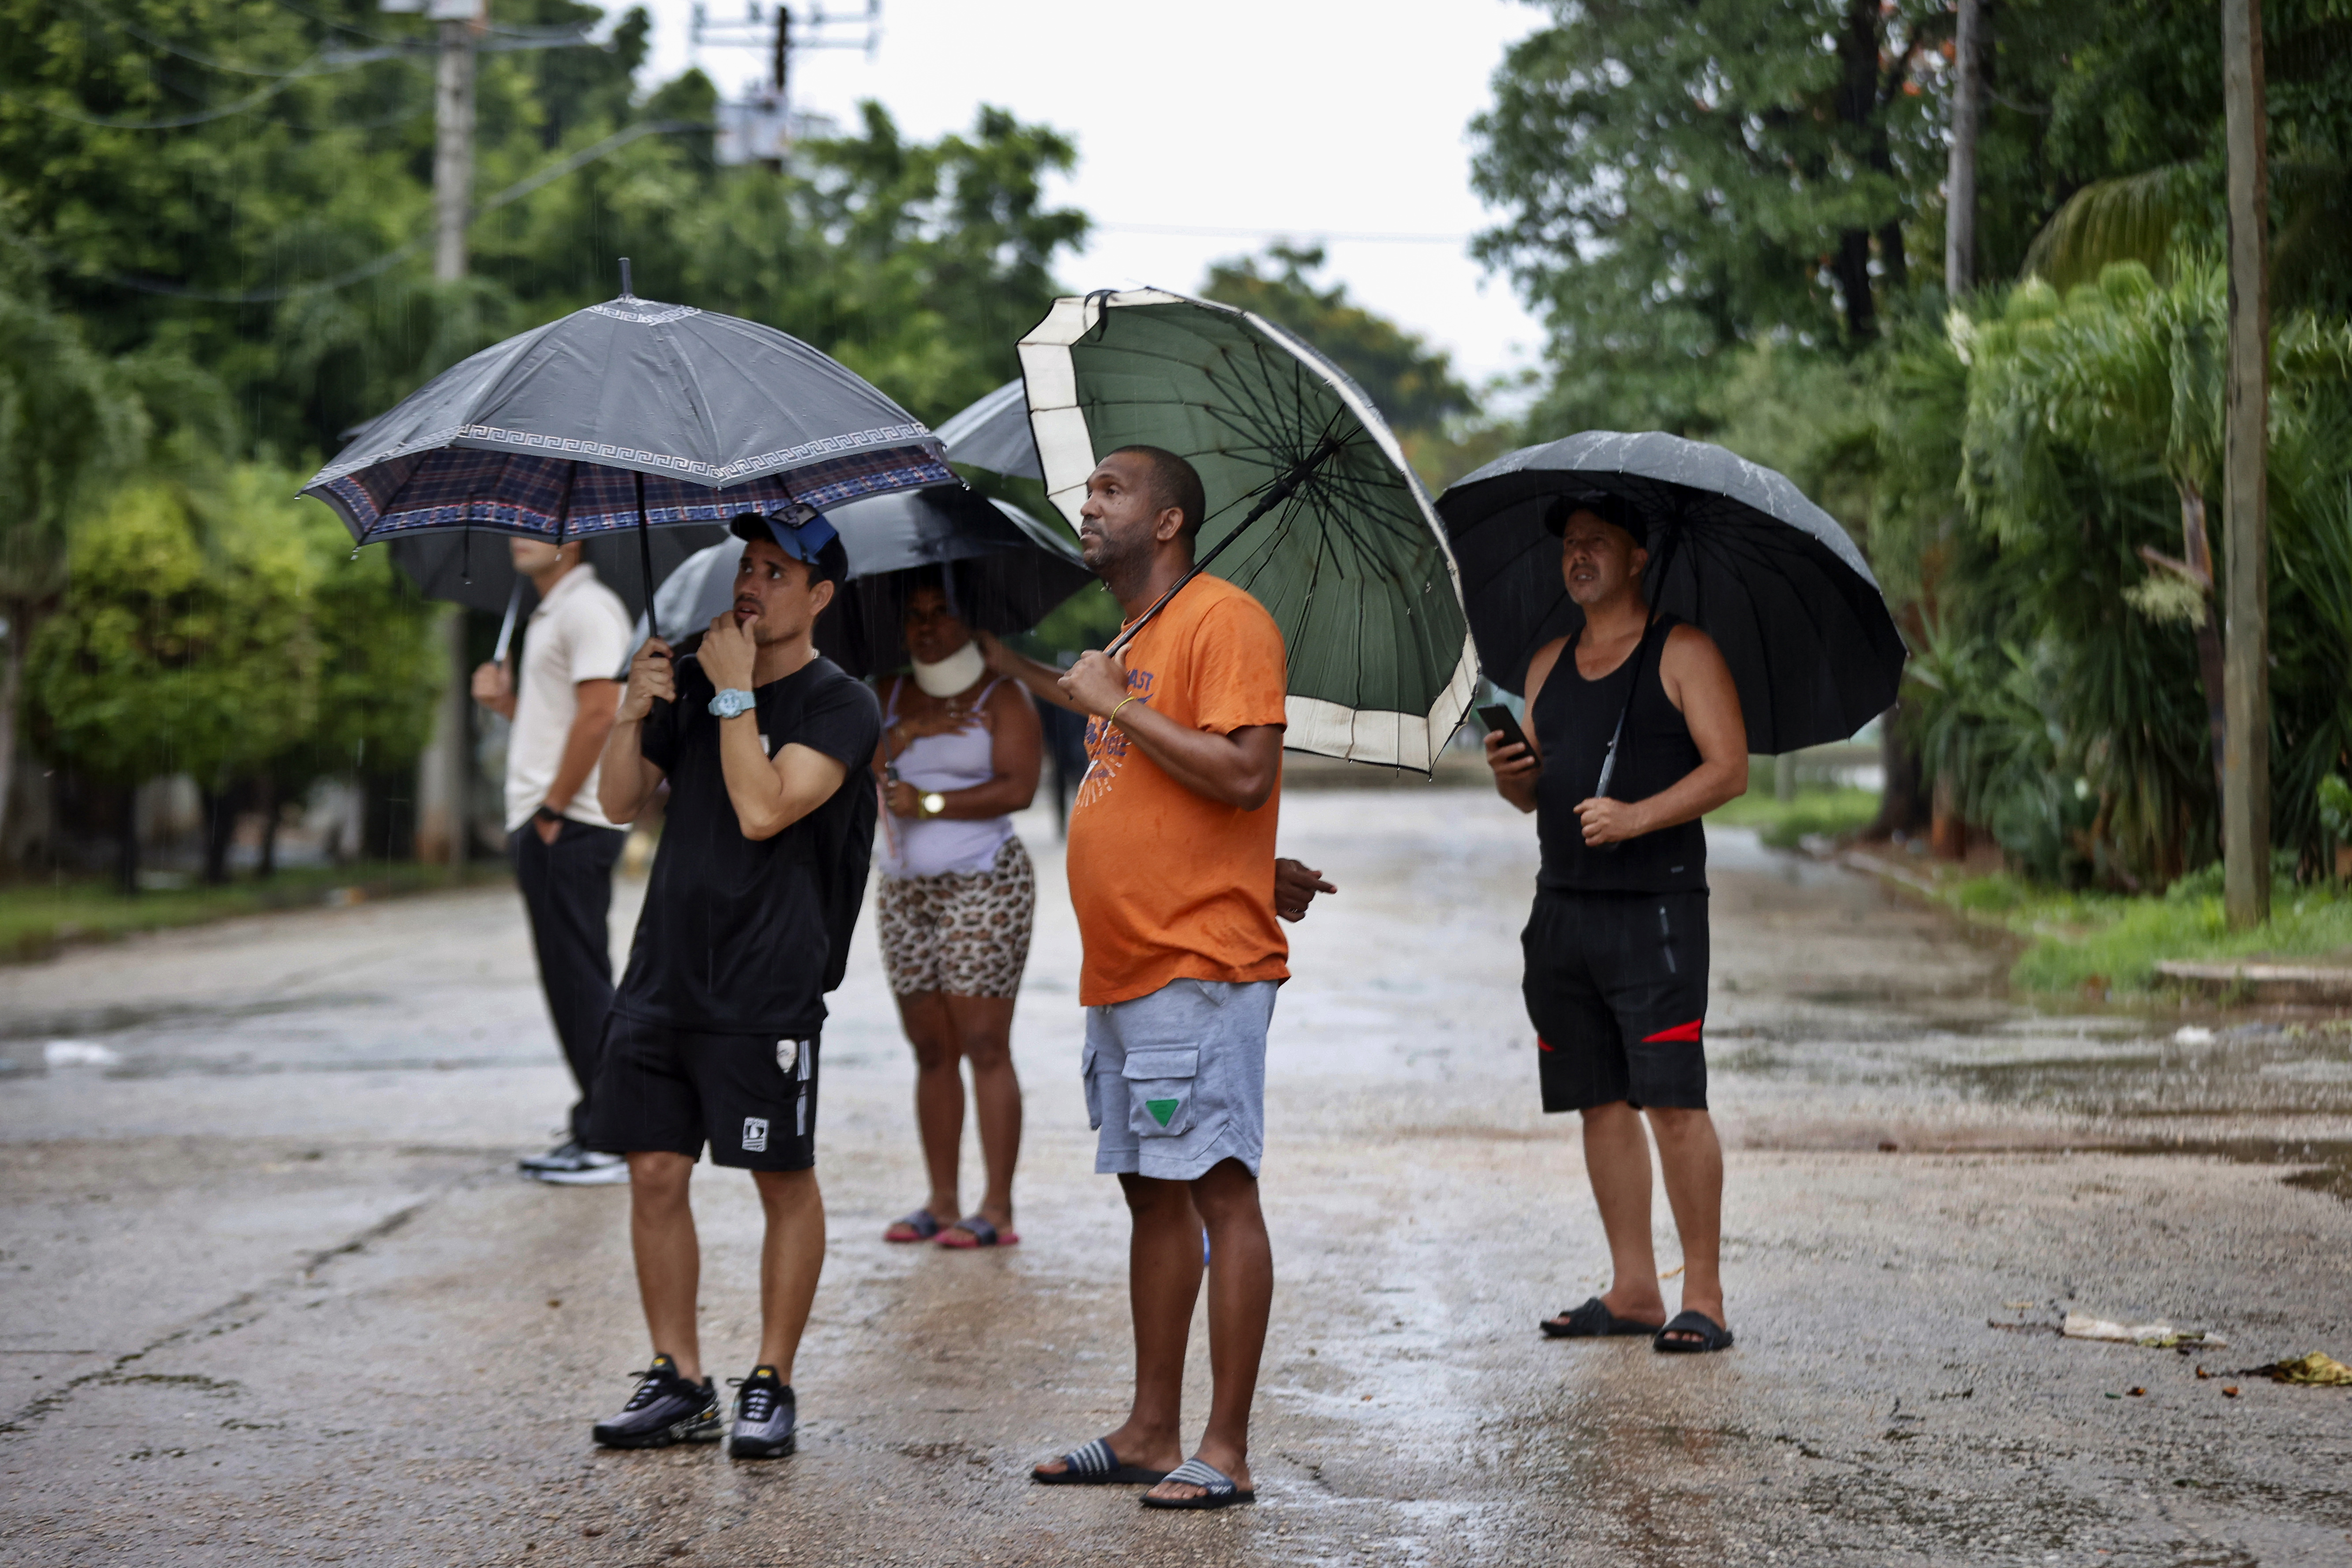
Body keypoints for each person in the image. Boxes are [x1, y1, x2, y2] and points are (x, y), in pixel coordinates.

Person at [984, 445, 1332, 1512]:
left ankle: (1221, 1448)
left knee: (1220, 1190)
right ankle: (1148, 1429)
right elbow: (1175, 794)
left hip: (1196, 968)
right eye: (1087, 491)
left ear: (1169, 521)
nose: (1085, 506)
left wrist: (1118, 706)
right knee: (1151, 1197)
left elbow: (1243, 770)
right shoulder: (1133, 637)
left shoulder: (1225, 620)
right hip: (1126, 970)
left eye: (1108, 492)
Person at [582, 512, 880, 1459]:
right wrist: (632, 711)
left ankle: (770, 1379)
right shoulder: (701, 677)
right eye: (746, 567)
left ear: (820, 595)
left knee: (779, 1177)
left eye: (776, 572)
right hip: (665, 967)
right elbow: (618, 800)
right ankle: (678, 1378)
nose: (749, 585)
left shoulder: (842, 704)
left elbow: (763, 808)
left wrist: (734, 694)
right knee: (654, 1169)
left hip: (766, 982)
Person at [1483, 496, 1748, 1354]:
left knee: (1672, 1098)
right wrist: (1508, 774)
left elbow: (1728, 769)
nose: (1578, 555)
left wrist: (1637, 818)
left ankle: (1699, 1295)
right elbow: (1533, 791)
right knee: (1596, 1098)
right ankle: (1633, 1288)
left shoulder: (1683, 651)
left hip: (1657, 911)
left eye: (1597, 542)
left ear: (1638, 558)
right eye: (1568, 544)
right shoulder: (1546, 662)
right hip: (1561, 907)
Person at [872, 573, 1043, 1250]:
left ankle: (996, 1207)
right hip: (904, 890)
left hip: (985, 882)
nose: (926, 626)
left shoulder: (1005, 695)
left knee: (983, 1044)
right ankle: (941, 1200)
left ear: (969, 621)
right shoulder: (885, 692)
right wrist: (909, 729)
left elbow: (1021, 787)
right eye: (915, 615)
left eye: (941, 612)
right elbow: (861, 767)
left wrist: (934, 803)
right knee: (930, 1048)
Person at [470, 538, 633, 1186]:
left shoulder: (588, 607)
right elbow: (563, 716)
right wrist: (505, 704)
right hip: (553, 820)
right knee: (571, 979)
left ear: (573, 537)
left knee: (581, 980)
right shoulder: (549, 612)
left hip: (570, 823)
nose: (516, 533)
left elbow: (600, 714)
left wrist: (553, 809)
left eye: (535, 524)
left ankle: (613, 1133)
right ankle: (597, 1118)